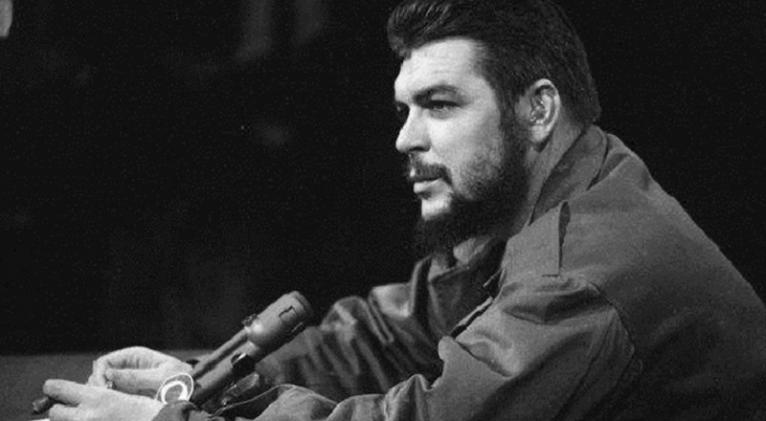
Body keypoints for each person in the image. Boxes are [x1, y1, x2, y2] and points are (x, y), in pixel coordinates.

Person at [41, 0, 766, 419]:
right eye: (404, 109)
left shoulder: (584, 274)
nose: (405, 138)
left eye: (440, 105)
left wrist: (177, 418)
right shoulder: (540, 196)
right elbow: (392, 336)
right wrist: (208, 382)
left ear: (539, 109)